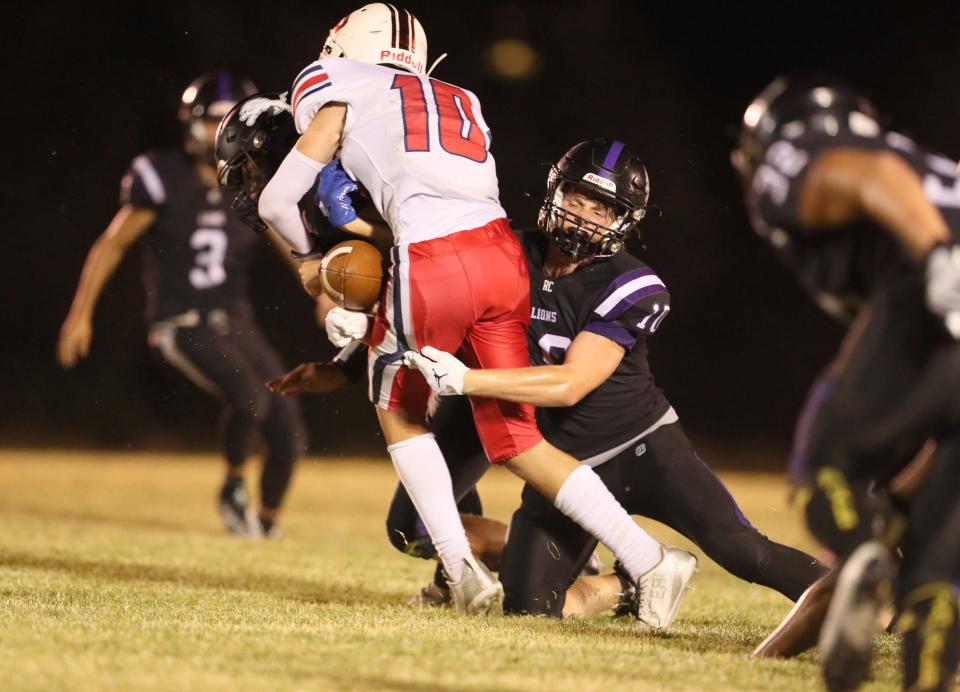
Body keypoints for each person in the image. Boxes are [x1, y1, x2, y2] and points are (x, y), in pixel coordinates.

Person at [256, 3, 697, 624]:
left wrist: (309, 263)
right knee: (512, 433)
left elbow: (279, 201)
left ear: (343, 44)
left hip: (431, 259)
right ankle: (647, 558)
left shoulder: (330, 84)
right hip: (499, 256)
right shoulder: (456, 96)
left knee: (399, 410)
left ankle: (462, 572)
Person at [400, 139, 827, 618]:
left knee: (743, 551)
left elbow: (570, 385)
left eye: (601, 209)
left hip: (641, 449)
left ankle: (869, 603)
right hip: (564, 467)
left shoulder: (631, 284)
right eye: (576, 200)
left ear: (624, 220)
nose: (583, 217)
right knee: (530, 608)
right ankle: (625, 585)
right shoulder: (507, 253)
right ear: (553, 195)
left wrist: (468, 381)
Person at [732, 76, 960, 691]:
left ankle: (867, 559)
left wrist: (940, 256)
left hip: (938, 300)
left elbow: (871, 176)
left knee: (824, 474)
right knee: (936, 578)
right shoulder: (935, 171)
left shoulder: (808, 152)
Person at [57, 72, 307, 539]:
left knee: (288, 428)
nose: (217, 133)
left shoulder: (250, 181)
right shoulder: (161, 175)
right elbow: (111, 245)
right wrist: (81, 312)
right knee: (250, 399)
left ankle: (264, 530)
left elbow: (289, 244)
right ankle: (234, 487)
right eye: (210, 121)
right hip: (181, 321)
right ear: (191, 124)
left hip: (234, 319)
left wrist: (325, 294)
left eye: (225, 122)